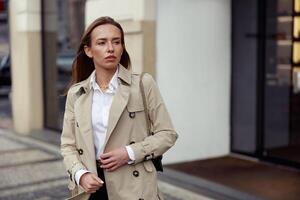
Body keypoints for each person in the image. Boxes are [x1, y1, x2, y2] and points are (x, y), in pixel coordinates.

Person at [60, 16, 178, 200]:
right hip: (91, 187)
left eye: (116, 42)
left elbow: (167, 134)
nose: (110, 48)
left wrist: (129, 153)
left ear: (122, 48)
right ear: (88, 50)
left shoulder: (142, 84)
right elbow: (68, 145)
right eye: (102, 42)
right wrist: (80, 174)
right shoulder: (76, 94)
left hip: (133, 186)